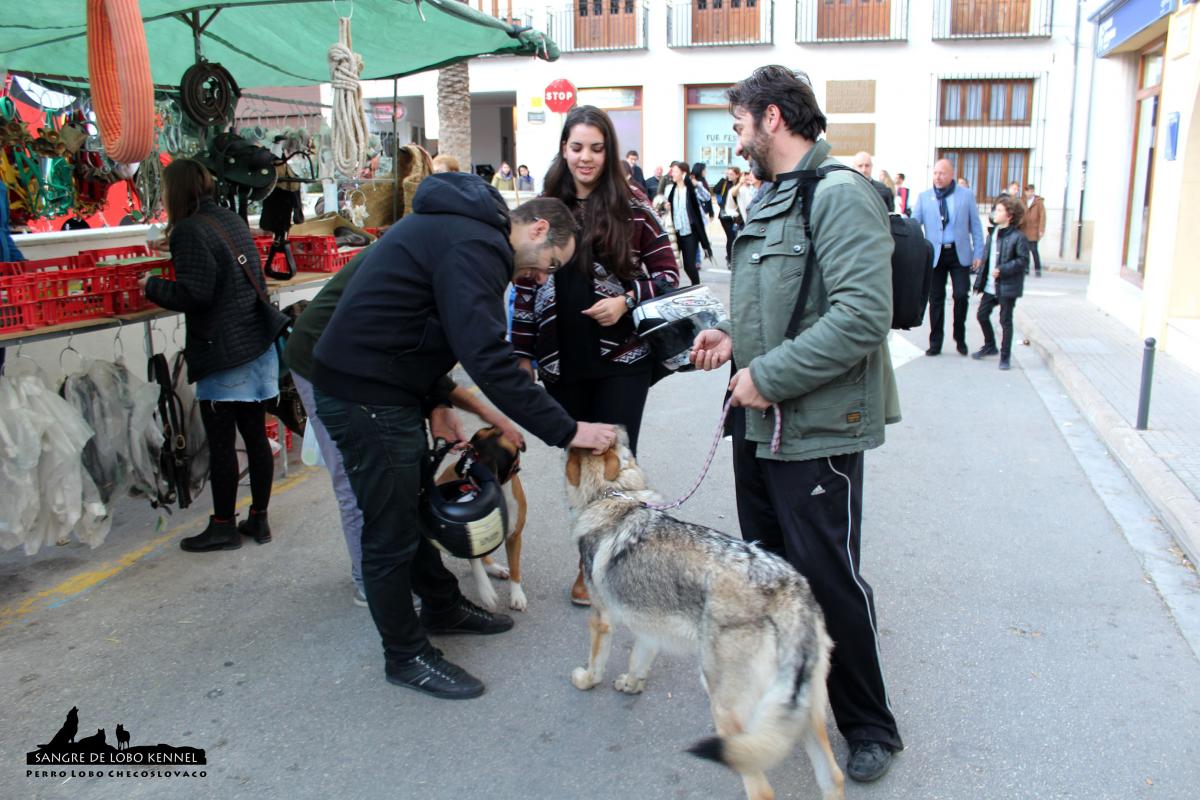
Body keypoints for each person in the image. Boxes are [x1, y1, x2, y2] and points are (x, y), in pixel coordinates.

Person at [311, 173, 617, 699]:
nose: (545, 278)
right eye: (551, 264)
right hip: (364, 393)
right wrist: (567, 430)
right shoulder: (477, 244)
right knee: (389, 531)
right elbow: (487, 356)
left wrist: (432, 397)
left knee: (407, 509)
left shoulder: (465, 234)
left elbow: (415, 320)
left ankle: (442, 605)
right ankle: (406, 657)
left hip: (386, 384)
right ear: (538, 228)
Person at [690, 64, 904, 783]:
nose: (737, 137)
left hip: (816, 429)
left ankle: (870, 724)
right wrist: (728, 336)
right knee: (771, 574)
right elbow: (780, 303)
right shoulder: (777, 195)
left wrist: (768, 374)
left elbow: (861, 316)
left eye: (741, 123)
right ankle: (791, 697)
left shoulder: (840, 195)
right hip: (760, 426)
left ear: (772, 119)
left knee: (827, 580)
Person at [283, 246, 527, 607]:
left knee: (405, 475)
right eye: (543, 267)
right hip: (323, 361)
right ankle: (374, 586)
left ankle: (418, 584)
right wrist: (486, 413)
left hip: (376, 364)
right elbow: (412, 352)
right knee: (358, 482)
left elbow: (421, 355)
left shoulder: (455, 260)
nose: (538, 279)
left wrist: (446, 405)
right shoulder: (451, 262)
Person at [512, 105, 679, 606]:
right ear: (564, 148)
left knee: (616, 463)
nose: (586, 157)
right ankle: (589, 560)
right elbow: (522, 285)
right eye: (577, 146)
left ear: (609, 153)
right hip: (560, 362)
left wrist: (626, 300)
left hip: (622, 359)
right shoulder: (541, 210)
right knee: (580, 464)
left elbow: (669, 277)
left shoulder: (634, 208)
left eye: (597, 148)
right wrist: (522, 356)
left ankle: (609, 566)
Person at [140, 159, 288, 552]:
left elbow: (195, 294)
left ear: (175, 192)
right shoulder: (229, 219)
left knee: (222, 443)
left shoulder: (189, 230)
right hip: (255, 342)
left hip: (224, 351)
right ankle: (259, 520)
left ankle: (223, 525)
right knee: (255, 436)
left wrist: (150, 285)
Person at [911, 158, 985, 356]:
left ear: (951, 174)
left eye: (942, 173)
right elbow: (914, 223)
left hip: (959, 253)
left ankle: (959, 336)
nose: (937, 177)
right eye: (935, 173)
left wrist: (979, 252)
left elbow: (975, 226)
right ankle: (935, 342)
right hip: (935, 255)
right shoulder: (925, 197)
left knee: (961, 295)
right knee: (935, 299)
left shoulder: (966, 196)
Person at [972, 194, 1029, 370]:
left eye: (999, 210)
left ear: (1009, 215)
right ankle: (990, 345)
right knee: (982, 314)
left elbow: (1023, 261)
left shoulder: (1018, 237)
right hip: (990, 285)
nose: (995, 213)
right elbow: (987, 259)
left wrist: (1003, 269)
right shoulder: (993, 233)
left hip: (1006, 286)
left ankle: (1005, 357)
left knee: (1005, 321)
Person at [663, 160, 713, 285]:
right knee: (670, 264)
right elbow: (665, 207)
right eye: (672, 171)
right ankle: (670, 288)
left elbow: (707, 197)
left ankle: (696, 287)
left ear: (683, 173)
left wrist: (698, 184)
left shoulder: (691, 189)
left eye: (675, 171)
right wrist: (666, 207)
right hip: (675, 233)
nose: (672, 174)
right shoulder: (671, 189)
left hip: (690, 232)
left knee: (689, 266)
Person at [713, 166, 744, 265]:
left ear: (737, 175)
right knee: (731, 237)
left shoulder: (741, 185)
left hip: (738, 215)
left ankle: (733, 257)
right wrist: (725, 178)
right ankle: (730, 259)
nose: (729, 176)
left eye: (731, 174)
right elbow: (715, 190)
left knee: (736, 237)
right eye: (728, 174)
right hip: (725, 215)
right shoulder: (725, 182)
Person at [1021, 183, 1046, 277]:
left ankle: (1038, 268)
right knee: (1025, 250)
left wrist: (1041, 229)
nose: (1031, 193)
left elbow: (1042, 216)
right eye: (1029, 191)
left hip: (1034, 229)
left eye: (1032, 191)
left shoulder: (1038, 202)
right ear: (1025, 192)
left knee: (1034, 250)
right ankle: (1026, 268)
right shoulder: (1022, 201)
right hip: (1024, 229)